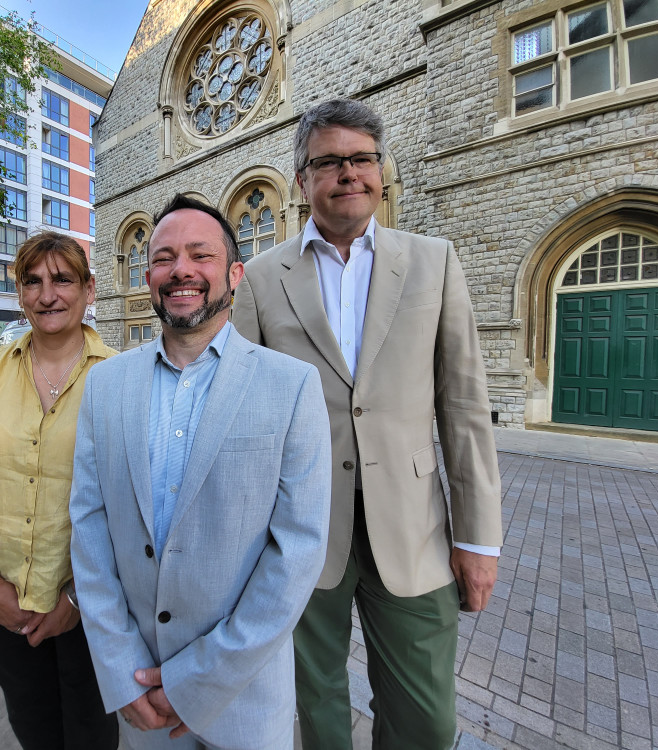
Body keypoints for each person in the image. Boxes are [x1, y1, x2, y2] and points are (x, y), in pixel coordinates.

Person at [231, 98, 503, 750]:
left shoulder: (433, 260)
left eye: (361, 159)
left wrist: (480, 538)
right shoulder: (264, 278)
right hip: (299, 532)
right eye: (329, 162)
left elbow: (463, 406)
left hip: (414, 531)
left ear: (381, 171)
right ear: (303, 180)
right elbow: (241, 416)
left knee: (427, 721)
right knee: (315, 704)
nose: (348, 173)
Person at [70, 194, 332, 750]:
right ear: (148, 277)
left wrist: (201, 680)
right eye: (164, 257)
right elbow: (90, 530)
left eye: (201, 255)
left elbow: (298, 551)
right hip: (140, 692)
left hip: (244, 697)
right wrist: (119, 669)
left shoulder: (292, 385)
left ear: (234, 274)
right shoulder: (105, 385)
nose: (181, 270)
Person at [0, 231, 118, 750]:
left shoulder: (121, 377)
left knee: (92, 730)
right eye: (32, 282)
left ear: (89, 289)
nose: (47, 294)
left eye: (63, 279)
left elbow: (134, 504)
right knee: (31, 723)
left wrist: (78, 597)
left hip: (93, 602)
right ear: (18, 293)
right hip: (4, 598)